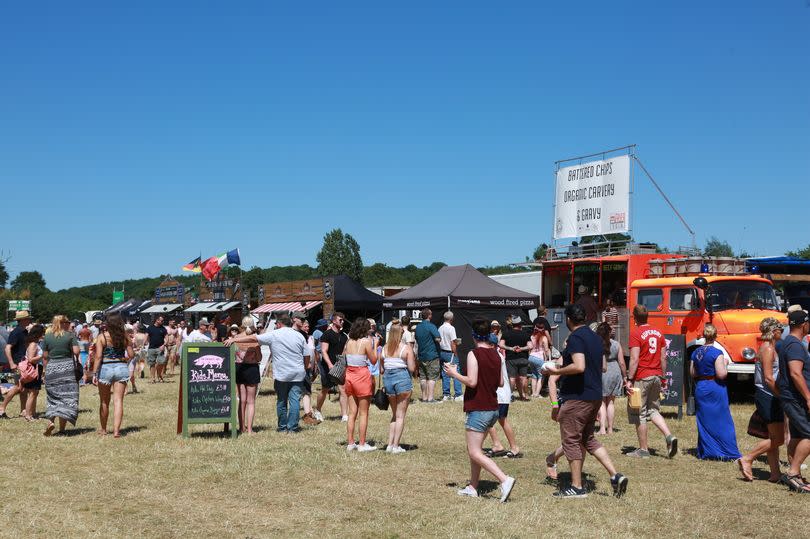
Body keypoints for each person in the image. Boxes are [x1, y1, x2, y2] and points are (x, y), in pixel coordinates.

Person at [542, 304, 628, 498]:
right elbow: (600, 366)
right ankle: (615, 475)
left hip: (577, 397)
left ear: (569, 319)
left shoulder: (575, 337)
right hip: (595, 395)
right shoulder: (596, 338)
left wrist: (556, 371)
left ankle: (577, 486)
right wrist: (558, 365)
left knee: (571, 440)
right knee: (588, 439)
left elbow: (579, 366)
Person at [444, 317, 516, 503]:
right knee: (474, 450)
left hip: (479, 407)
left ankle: (504, 480)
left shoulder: (473, 354)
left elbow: (472, 381)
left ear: (474, 336)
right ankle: (473, 486)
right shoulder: (497, 354)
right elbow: (500, 382)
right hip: (492, 408)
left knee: (474, 451)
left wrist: (453, 374)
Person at [227, 314, 310, 433]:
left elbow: (254, 338)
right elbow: (306, 355)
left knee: (281, 401)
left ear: (280, 324)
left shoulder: (274, 334)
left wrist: (234, 339)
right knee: (295, 401)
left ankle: (282, 427)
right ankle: (292, 428)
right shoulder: (299, 336)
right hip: (297, 373)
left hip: (282, 374)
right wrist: (304, 367)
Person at [625, 304, 678, 458]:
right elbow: (663, 357)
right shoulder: (658, 333)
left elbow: (634, 359)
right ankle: (669, 436)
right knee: (653, 410)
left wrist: (629, 379)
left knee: (639, 413)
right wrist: (663, 377)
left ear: (635, 317)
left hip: (642, 375)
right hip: (656, 375)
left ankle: (643, 450)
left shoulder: (636, 333)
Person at [739, 317, 785, 482]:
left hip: (768, 395)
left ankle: (775, 474)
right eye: (780, 329)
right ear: (774, 332)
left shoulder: (770, 347)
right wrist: (781, 395)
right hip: (768, 396)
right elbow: (768, 378)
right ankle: (748, 458)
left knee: (773, 437)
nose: (782, 332)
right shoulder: (768, 349)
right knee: (779, 439)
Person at [689, 324, 741, 460]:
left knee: (704, 419)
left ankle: (707, 450)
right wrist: (726, 364)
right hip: (714, 387)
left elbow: (692, 373)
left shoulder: (696, 352)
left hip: (701, 387)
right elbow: (722, 374)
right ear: (715, 336)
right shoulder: (717, 353)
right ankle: (726, 451)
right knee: (722, 419)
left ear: (704, 336)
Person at [776, 309, 810, 493]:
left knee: (797, 435)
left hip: (792, 397)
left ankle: (794, 476)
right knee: (809, 434)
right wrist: (808, 397)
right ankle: (793, 472)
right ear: (803, 324)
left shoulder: (789, 342)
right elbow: (796, 373)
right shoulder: (795, 345)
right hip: (796, 398)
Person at [91, 314, 134, 438]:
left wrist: (94, 373)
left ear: (107, 324)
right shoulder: (124, 336)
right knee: (118, 401)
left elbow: (98, 357)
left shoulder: (102, 337)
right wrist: (123, 359)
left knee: (104, 401)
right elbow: (131, 354)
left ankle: (104, 429)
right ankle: (116, 431)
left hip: (105, 368)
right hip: (121, 367)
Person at [343, 318, 378, 451]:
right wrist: (375, 345)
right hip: (361, 376)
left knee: (352, 413)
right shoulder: (366, 342)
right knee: (364, 413)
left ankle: (351, 443)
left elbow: (344, 358)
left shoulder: (349, 341)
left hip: (349, 376)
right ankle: (362, 444)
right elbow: (374, 360)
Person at [42, 315, 81, 436]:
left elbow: (44, 356)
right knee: (66, 398)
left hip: (52, 368)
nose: (69, 324)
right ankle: (62, 430)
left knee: (53, 397)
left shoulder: (47, 337)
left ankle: (50, 422)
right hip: (67, 368)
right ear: (62, 323)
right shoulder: (70, 335)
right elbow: (76, 352)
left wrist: (45, 370)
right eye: (67, 322)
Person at [381, 320, 416, 453]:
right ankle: (396, 446)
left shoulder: (384, 348)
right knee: (401, 415)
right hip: (402, 379)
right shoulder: (406, 348)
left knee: (394, 414)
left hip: (388, 380)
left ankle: (390, 444)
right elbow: (412, 368)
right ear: (401, 333)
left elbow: (382, 369)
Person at [486, 343, 521, 459]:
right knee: (497, 420)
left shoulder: (495, 356)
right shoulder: (495, 355)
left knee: (492, 420)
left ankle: (509, 447)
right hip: (500, 394)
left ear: (492, 345)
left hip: (500, 395)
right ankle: (500, 445)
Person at [0, 310, 33, 419]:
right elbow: (7, 348)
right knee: (19, 387)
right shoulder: (16, 332)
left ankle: (23, 410)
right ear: (23, 320)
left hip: (22, 362)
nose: (29, 320)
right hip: (17, 363)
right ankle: (2, 407)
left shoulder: (24, 332)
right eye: (28, 318)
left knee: (23, 388)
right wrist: (12, 363)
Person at [317, 312, 348, 421]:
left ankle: (344, 415)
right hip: (327, 365)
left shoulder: (344, 336)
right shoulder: (327, 334)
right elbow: (324, 351)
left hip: (340, 365)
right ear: (334, 321)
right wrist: (330, 365)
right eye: (340, 320)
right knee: (325, 389)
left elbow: (344, 351)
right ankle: (318, 410)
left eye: (343, 320)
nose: (342, 321)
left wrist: (342, 364)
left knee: (343, 389)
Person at [596, 322, 626, 436]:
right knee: (611, 402)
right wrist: (625, 377)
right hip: (615, 371)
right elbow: (622, 363)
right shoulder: (616, 344)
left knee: (602, 402)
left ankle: (602, 428)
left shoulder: (597, 345)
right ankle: (610, 429)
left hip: (602, 372)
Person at [234, 316, 261, 434]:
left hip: (239, 368)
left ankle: (241, 427)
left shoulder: (237, 338)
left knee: (242, 400)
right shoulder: (254, 339)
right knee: (251, 401)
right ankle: (250, 429)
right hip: (252, 368)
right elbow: (259, 357)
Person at [499, 315, 531, 401]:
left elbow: (500, 345)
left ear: (512, 324)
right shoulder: (525, 334)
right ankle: (525, 396)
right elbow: (530, 346)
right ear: (520, 324)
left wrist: (511, 348)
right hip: (523, 358)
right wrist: (521, 349)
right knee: (523, 378)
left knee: (512, 378)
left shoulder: (506, 333)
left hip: (510, 359)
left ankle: (510, 395)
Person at [414, 308, 441, 403]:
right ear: (429, 315)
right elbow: (438, 338)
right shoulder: (431, 326)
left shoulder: (418, 327)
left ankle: (424, 397)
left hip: (421, 355)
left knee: (423, 377)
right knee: (432, 377)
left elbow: (416, 339)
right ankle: (430, 398)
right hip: (431, 355)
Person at [21, 324, 45, 421]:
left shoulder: (34, 343)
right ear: (38, 333)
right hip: (33, 369)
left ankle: (32, 413)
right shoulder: (33, 344)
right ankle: (28, 415)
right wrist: (42, 356)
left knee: (35, 392)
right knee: (32, 392)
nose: (43, 334)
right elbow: (31, 359)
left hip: (36, 368)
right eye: (42, 332)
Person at [439, 311, 463, 401]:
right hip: (450, 352)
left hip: (442, 352)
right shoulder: (451, 328)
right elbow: (453, 342)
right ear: (451, 319)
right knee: (455, 372)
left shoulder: (440, 328)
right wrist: (455, 352)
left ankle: (446, 394)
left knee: (445, 373)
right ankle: (458, 394)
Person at [528, 320, 551, 398]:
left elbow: (529, 348)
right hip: (539, 358)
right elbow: (547, 350)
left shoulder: (531, 337)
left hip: (531, 357)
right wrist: (548, 359)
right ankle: (537, 394)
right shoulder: (544, 338)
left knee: (534, 375)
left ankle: (533, 393)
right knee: (541, 376)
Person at [145, 316, 168, 383]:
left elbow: (167, 338)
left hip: (160, 348)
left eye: (163, 321)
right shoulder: (150, 328)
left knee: (162, 362)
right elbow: (146, 335)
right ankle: (153, 378)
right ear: (157, 320)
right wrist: (145, 342)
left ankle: (159, 375)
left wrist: (164, 345)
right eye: (161, 320)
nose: (162, 322)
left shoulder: (163, 329)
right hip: (151, 348)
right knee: (152, 364)